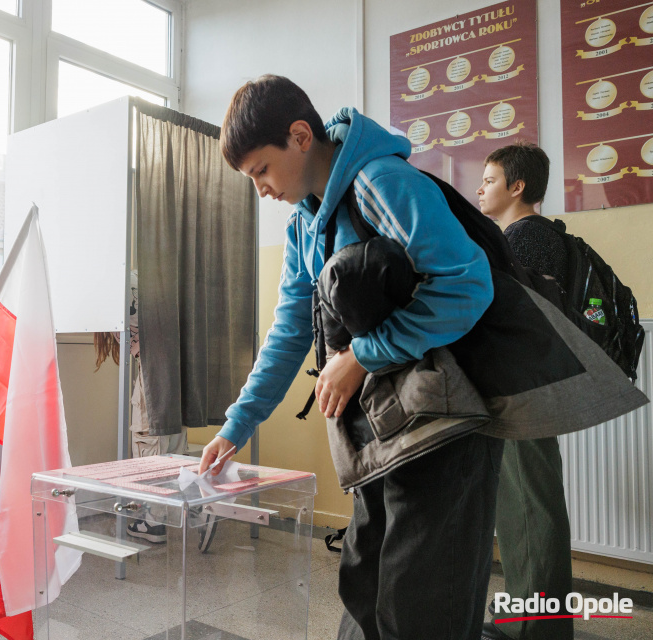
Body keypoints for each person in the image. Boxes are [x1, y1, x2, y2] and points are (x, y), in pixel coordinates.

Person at [199, 74, 502, 640]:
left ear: (299, 136)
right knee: (365, 587)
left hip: (441, 427)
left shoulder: (382, 181)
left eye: (261, 170)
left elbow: (467, 286)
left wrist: (362, 355)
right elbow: (290, 331)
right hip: (379, 433)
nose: (260, 189)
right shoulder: (302, 225)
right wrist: (237, 424)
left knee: (422, 604)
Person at [477, 142, 574, 640]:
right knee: (526, 502)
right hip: (532, 387)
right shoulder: (532, 237)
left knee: (529, 504)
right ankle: (532, 618)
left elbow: (517, 321)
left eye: (490, 180)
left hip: (525, 390)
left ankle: (535, 627)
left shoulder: (524, 238)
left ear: (518, 187)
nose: (480, 188)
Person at [94, 270, 187, 544]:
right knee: (172, 446)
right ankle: (178, 513)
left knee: (149, 444)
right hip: (179, 369)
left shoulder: (108, 288)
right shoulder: (142, 274)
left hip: (154, 371)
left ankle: (154, 523)